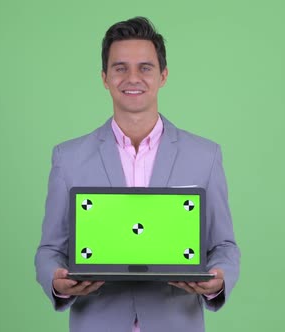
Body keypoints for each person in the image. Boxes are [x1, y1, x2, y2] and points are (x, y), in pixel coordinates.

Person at [35, 17, 240, 332]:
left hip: (176, 322)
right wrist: (56, 281)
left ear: (163, 76)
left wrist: (217, 280)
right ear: (105, 78)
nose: (133, 78)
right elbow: (51, 249)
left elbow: (224, 245)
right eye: (120, 68)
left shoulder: (205, 156)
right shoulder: (68, 158)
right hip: (97, 322)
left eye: (145, 67)